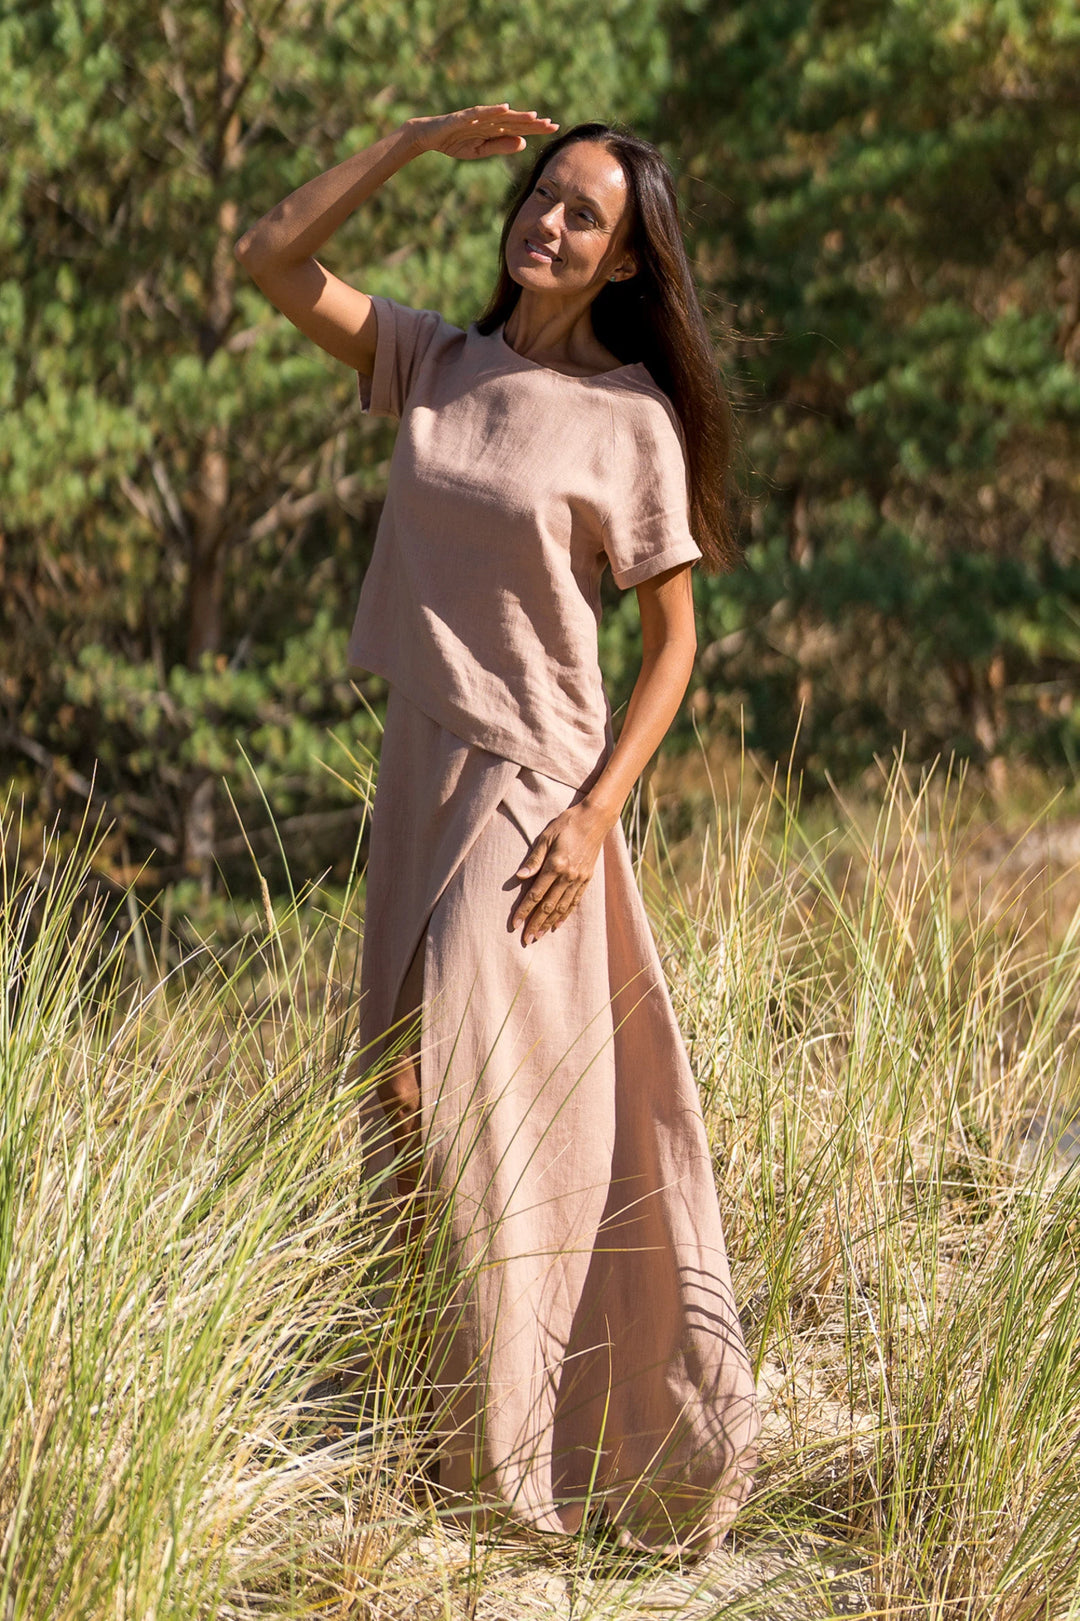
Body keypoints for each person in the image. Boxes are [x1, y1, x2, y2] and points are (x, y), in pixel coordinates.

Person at [235, 102, 759, 1555]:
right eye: (540, 194)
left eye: (584, 214)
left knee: (473, 1102)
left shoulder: (633, 422)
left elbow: (673, 648)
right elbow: (269, 257)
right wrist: (406, 141)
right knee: (398, 1107)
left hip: (535, 789)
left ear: (622, 262)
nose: (548, 220)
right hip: (419, 765)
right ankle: (432, 1429)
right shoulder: (433, 361)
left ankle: (537, 1458)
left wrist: (597, 814)